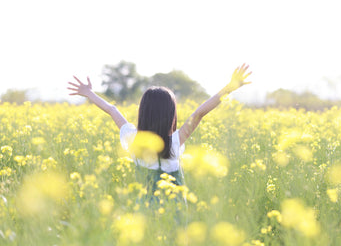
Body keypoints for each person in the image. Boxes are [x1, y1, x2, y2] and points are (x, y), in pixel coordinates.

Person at [67, 64, 251, 210]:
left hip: (144, 209)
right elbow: (199, 113)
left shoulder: (132, 139)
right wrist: (230, 87)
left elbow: (112, 109)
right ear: (171, 115)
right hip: (175, 209)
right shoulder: (175, 142)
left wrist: (88, 93)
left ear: (143, 112)